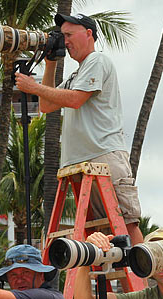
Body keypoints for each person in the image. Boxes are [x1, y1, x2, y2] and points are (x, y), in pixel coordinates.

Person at [15, 13, 143, 247]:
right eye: (62, 36)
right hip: (85, 163)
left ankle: (142, 279)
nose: (65, 41)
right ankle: (131, 282)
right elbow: (46, 105)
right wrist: (51, 62)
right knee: (106, 232)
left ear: (88, 34)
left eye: (68, 35)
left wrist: (33, 86)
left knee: (126, 225)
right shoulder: (77, 74)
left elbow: (75, 99)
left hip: (104, 157)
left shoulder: (97, 61)